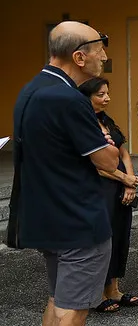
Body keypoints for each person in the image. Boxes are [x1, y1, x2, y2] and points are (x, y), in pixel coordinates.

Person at [7, 21, 121, 326]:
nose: (104, 57)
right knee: (73, 310)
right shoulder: (70, 99)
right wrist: (105, 143)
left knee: (59, 299)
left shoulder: (31, 90)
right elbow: (109, 161)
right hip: (78, 220)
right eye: (99, 49)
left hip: (45, 215)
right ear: (79, 57)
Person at [78, 78, 138, 313]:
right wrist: (123, 178)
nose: (107, 98)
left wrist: (131, 182)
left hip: (119, 188)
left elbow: (123, 153)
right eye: (101, 94)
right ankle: (96, 293)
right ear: (86, 97)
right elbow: (94, 165)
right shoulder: (83, 124)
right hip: (98, 189)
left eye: (107, 93)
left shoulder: (107, 120)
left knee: (120, 235)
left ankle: (114, 289)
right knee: (101, 240)